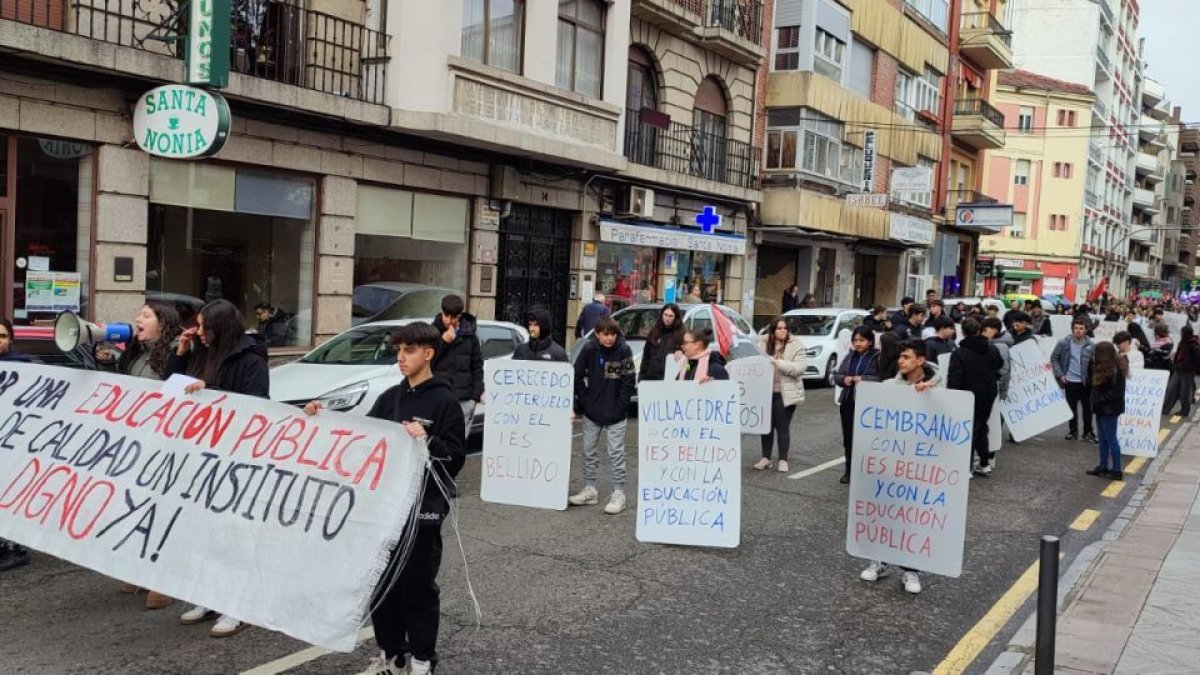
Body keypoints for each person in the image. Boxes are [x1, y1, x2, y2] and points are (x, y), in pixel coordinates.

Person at [306, 322, 465, 675]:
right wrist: (322, 418)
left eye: (409, 350)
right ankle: (393, 655)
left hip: (422, 512)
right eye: (398, 350)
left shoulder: (445, 401)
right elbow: (361, 436)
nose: (401, 357)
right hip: (383, 511)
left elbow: (456, 458)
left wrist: (428, 440)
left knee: (417, 588)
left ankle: (423, 659)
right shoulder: (390, 397)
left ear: (429, 353)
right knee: (382, 586)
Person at [168, 299, 269, 637]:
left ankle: (237, 606)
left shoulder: (250, 359)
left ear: (221, 328)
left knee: (232, 535)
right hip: (201, 454)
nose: (199, 333)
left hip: (235, 459)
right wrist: (181, 354)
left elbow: (256, 405)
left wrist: (211, 392)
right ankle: (207, 596)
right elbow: (172, 387)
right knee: (204, 532)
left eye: (205, 327)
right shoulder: (201, 353)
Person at [113, 302, 183, 609]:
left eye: (145, 315)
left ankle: (162, 580)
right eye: (138, 314)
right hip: (137, 442)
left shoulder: (177, 354)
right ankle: (139, 570)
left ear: (162, 323)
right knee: (135, 506)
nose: (137, 319)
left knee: (161, 510)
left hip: (165, 444)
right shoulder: (135, 353)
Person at [859, 339, 939, 595]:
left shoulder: (939, 390)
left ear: (920, 360)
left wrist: (932, 394)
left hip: (921, 465)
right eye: (900, 357)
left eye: (906, 357)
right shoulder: (889, 387)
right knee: (887, 514)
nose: (900, 361)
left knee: (912, 517)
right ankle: (880, 562)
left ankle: (911, 570)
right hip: (891, 463)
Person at [570, 317, 636, 515]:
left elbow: (628, 381)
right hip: (593, 412)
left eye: (612, 334)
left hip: (616, 413)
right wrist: (585, 401)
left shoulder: (624, 350)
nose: (609, 338)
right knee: (589, 452)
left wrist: (621, 407)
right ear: (598, 334)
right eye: (605, 334)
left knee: (616, 453)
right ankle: (590, 489)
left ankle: (619, 493)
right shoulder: (589, 348)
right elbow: (576, 375)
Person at [949, 319, 1004, 477]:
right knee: (981, 426)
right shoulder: (991, 348)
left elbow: (954, 378)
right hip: (988, 392)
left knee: (970, 429)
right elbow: (999, 365)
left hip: (968, 394)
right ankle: (984, 463)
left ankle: (967, 468)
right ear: (979, 330)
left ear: (962, 332)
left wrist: (952, 396)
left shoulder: (959, 352)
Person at [0, 317, 32, 573]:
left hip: (13, 442)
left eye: (2, 336)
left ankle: (14, 549)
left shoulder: (24, 367)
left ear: (11, 339)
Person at [754, 317, 806, 473]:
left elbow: (800, 368)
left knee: (782, 427)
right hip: (766, 392)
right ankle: (766, 457)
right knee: (766, 426)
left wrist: (779, 363)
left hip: (784, 393)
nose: (783, 331)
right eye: (779, 328)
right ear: (773, 330)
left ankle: (783, 459)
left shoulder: (796, 345)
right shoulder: (762, 343)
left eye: (785, 328)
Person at [431, 294, 484, 436]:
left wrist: (475, 396)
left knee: (458, 442)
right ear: (441, 311)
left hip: (464, 399)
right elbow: (426, 364)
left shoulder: (470, 336)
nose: (449, 321)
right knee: (437, 440)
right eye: (446, 315)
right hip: (438, 397)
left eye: (453, 317)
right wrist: (443, 343)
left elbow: (477, 367)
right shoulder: (431, 333)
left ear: (460, 315)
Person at [835, 326, 879, 484]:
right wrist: (844, 379)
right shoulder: (850, 356)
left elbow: (881, 378)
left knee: (866, 440)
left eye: (862, 340)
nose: (858, 343)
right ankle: (849, 471)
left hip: (868, 405)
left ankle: (866, 471)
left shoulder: (877, 357)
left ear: (870, 341)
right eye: (855, 340)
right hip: (848, 401)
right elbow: (838, 375)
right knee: (848, 438)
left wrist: (864, 379)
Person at [1052, 320, 1097, 443]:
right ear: (1072, 329)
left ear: (1086, 330)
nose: (1078, 331)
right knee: (1072, 409)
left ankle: (1088, 433)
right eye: (1076, 328)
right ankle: (1073, 432)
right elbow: (1054, 358)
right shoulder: (1063, 343)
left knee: (1087, 409)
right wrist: (1060, 374)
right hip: (1070, 381)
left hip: (1085, 382)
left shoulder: (1091, 345)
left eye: (1081, 328)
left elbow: (1095, 362)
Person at [1089, 342, 1127, 481]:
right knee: (1103, 438)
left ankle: (1117, 470)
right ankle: (1103, 466)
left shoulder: (1115, 370)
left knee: (1111, 439)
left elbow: (1115, 393)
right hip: (1102, 407)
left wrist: (1099, 400)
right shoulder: (1104, 367)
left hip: (1109, 409)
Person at [638, 304, 684, 382]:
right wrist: (641, 377)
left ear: (676, 317)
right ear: (661, 315)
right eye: (665, 315)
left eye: (671, 316)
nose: (667, 318)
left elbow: (688, 364)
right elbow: (646, 357)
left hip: (668, 379)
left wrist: (682, 353)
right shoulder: (654, 332)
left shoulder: (681, 335)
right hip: (650, 377)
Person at [1163, 324, 1200, 418]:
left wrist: (1196, 370)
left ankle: (1184, 411)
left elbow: (1197, 360)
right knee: (1171, 389)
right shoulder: (1182, 342)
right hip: (1178, 369)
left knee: (1185, 392)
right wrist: (1175, 364)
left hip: (1188, 371)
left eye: (1182, 333)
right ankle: (1165, 408)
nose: (1181, 334)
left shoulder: (1194, 345)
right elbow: (1178, 355)